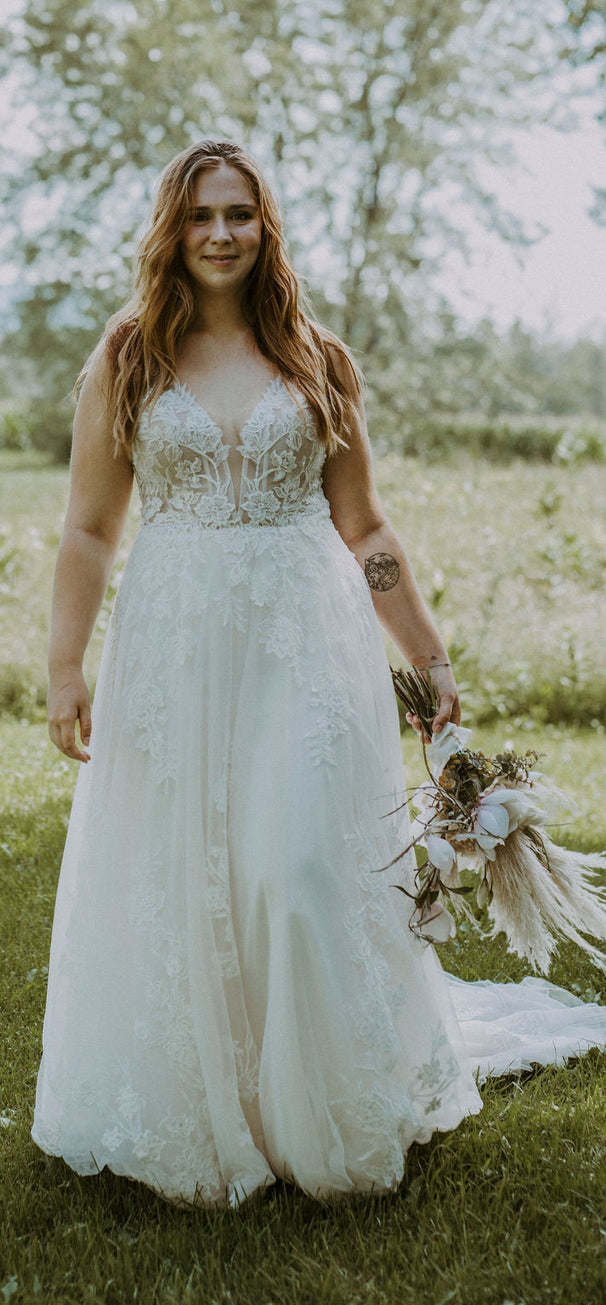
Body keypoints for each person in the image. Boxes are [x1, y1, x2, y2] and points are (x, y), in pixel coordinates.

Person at [31, 139, 606, 1207]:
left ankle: (319, 1109)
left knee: (296, 874)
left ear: (266, 226)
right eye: (200, 214)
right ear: (173, 227)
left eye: (239, 213)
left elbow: (365, 525)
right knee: (192, 876)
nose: (219, 233)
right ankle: (209, 1108)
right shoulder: (129, 356)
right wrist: (65, 663)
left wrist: (427, 657)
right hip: (177, 647)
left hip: (305, 639)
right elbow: (89, 528)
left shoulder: (316, 357)